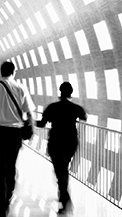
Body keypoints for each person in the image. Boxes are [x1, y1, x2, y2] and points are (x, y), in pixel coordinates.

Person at [0, 61, 34, 217]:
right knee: (10, 167)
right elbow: (30, 113)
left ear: (0, 72)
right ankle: (8, 194)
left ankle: (1, 209)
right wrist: (32, 130)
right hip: (15, 135)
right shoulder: (21, 88)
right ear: (13, 72)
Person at [36, 82, 87, 214]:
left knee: (60, 170)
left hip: (56, 141)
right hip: (71, 141)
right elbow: (84, 117)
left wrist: (30, 122)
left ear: (60, 91)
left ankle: (65, 198)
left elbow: (41, 124)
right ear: (71, 92)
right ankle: (63, 194)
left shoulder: (52, 107)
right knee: (63, 168)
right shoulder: (76, 108)